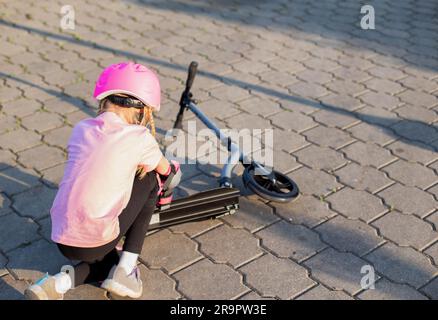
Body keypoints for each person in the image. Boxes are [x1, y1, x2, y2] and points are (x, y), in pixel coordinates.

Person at [24, 62, 181, 300]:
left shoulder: (81, 128)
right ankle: (127, 270)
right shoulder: (140, 137)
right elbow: (167, 172)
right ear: (142, 110)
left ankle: (56, 284)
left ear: (103, 100)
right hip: (99, 238)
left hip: (63, 238)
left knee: (104, 260)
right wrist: (170, 173)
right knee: (150, 178)